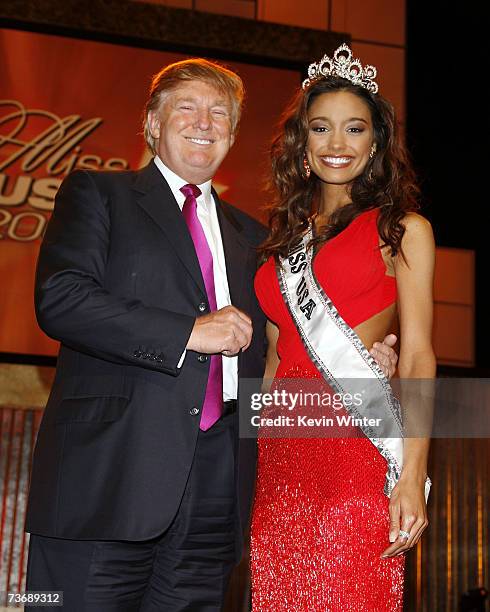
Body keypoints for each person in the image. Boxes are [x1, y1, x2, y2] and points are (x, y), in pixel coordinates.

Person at [25, 57, 399, 611]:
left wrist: (366, 362)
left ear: (232, 134)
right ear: (152, 123)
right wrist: (187, 332)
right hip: (106, 484)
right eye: (187, 107)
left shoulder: (256, 239)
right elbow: (62, 299)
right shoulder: (98, 194)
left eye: (219, 113)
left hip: (216, 495)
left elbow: (283, 346)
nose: (204, 122)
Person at [250, 44, 435, 611]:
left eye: (354, 129)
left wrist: (411, 476)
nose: (337, 144)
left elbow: (419, 357)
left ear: (375, 142)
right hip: (282, 458)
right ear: (301, 144)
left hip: (356, 445)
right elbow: (276, 361)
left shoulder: (403, 230)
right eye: (321, 128)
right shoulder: (281, 246)